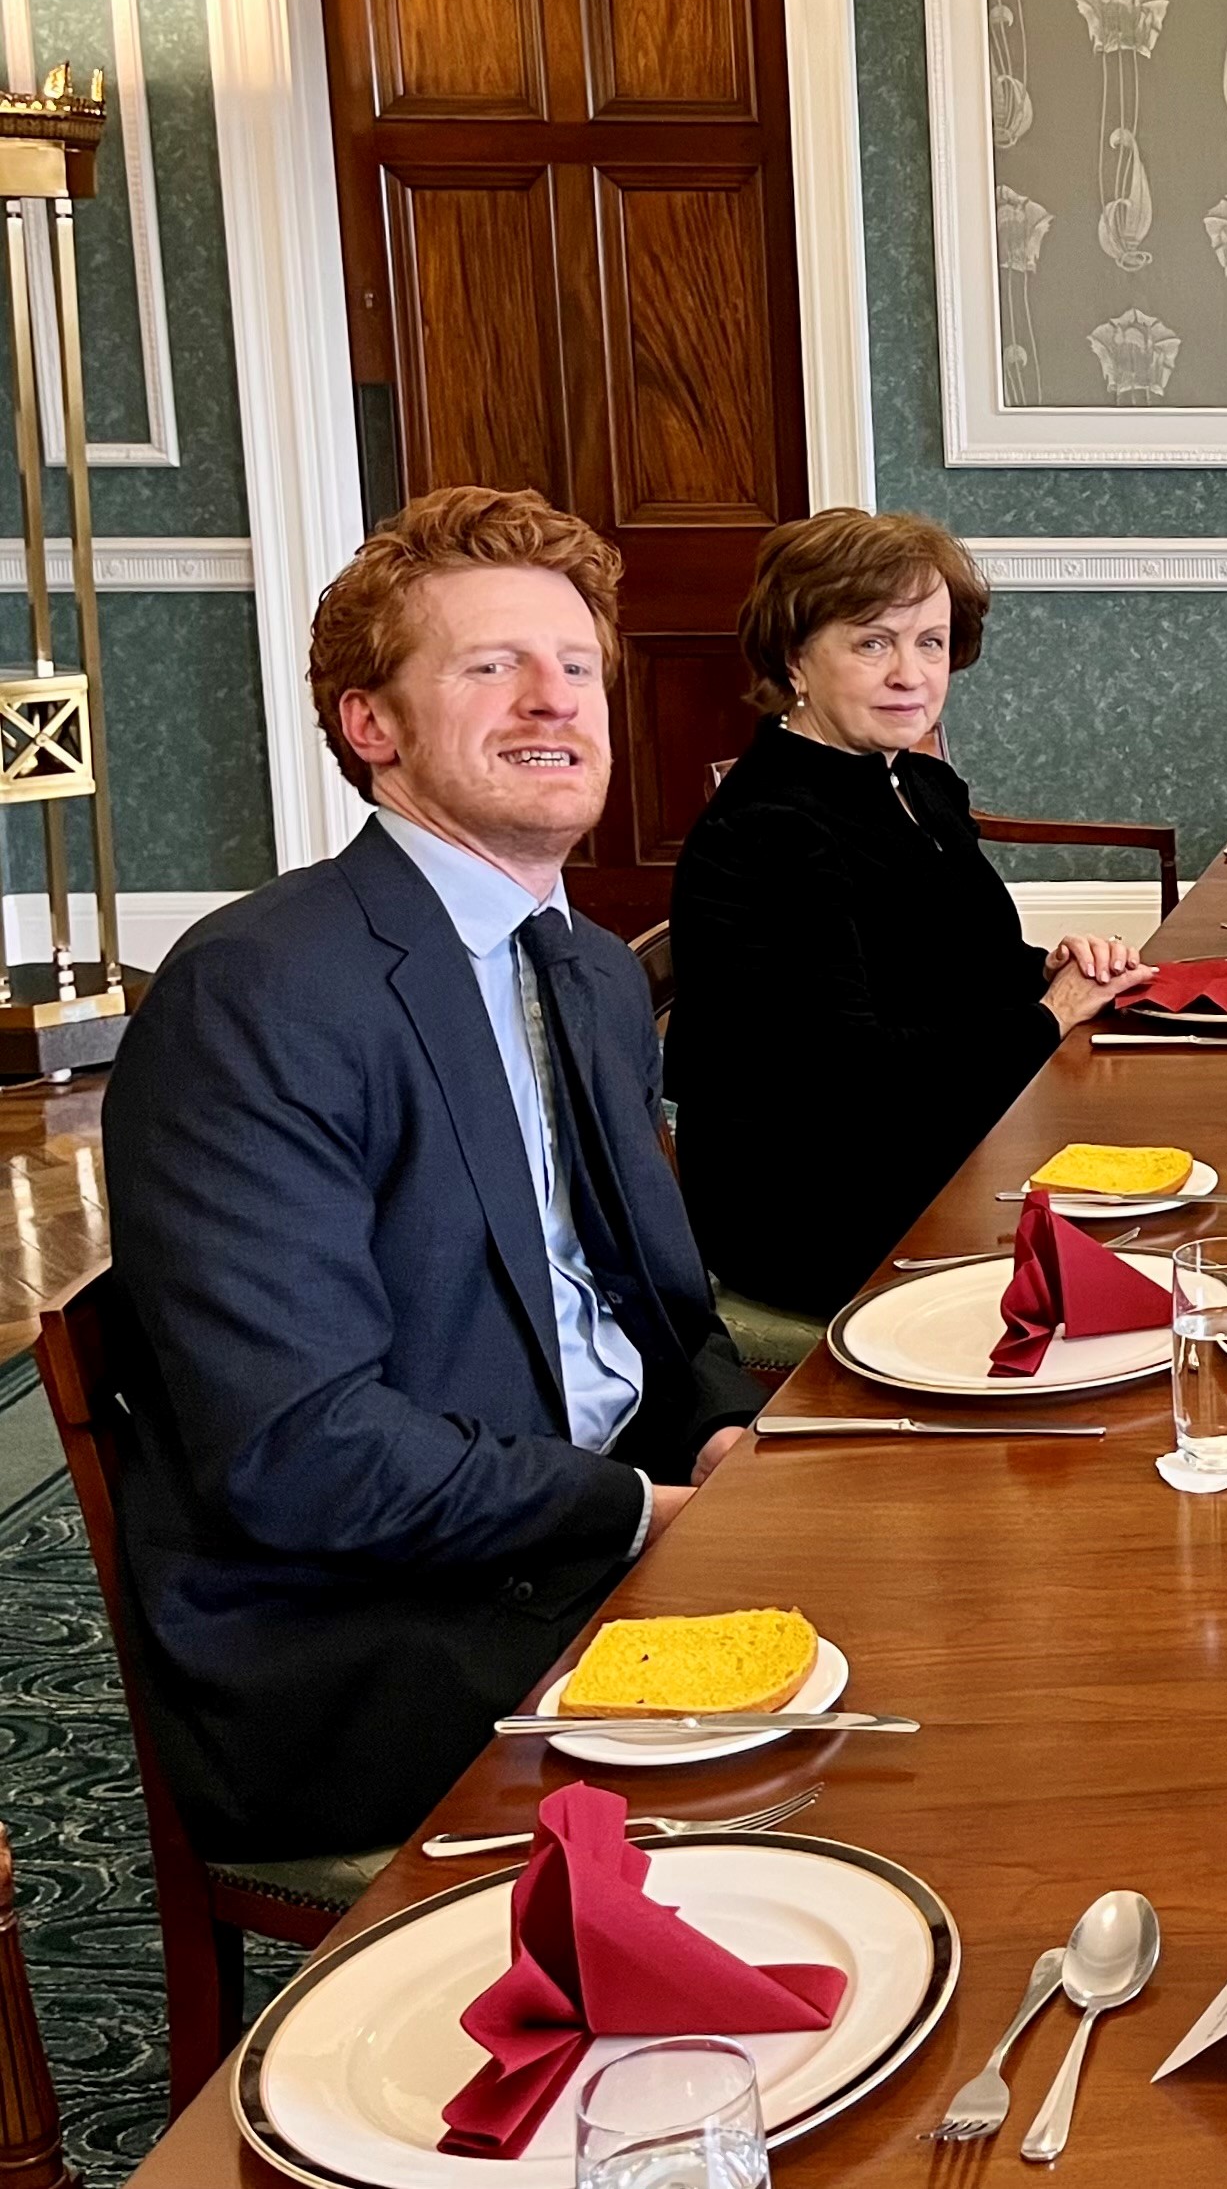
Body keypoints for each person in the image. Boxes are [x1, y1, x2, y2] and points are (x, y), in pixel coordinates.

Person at [99, 488, 765, 1862]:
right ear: (372, 722)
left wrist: (716, 1434)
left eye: (577, 666)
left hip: (593, 1520)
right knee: (884, 1734)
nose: (554, 699)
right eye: (491, 665)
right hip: (378, 1627)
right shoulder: (259, 993)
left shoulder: (580, 962)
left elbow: (664, 1308)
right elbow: (303, 1452)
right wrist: (642, 1511)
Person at [669, 510, 1149, 1317]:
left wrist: (1049, 967)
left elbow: (956, 955)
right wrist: (1046, 1016)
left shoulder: (910, 781)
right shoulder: (770, 828)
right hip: (821, 1208)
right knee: (1163, 1240)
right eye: (872, 642)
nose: (912, 674)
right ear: (795, 658)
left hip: (930, 1147)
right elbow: (854, 1075)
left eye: (930, 642)